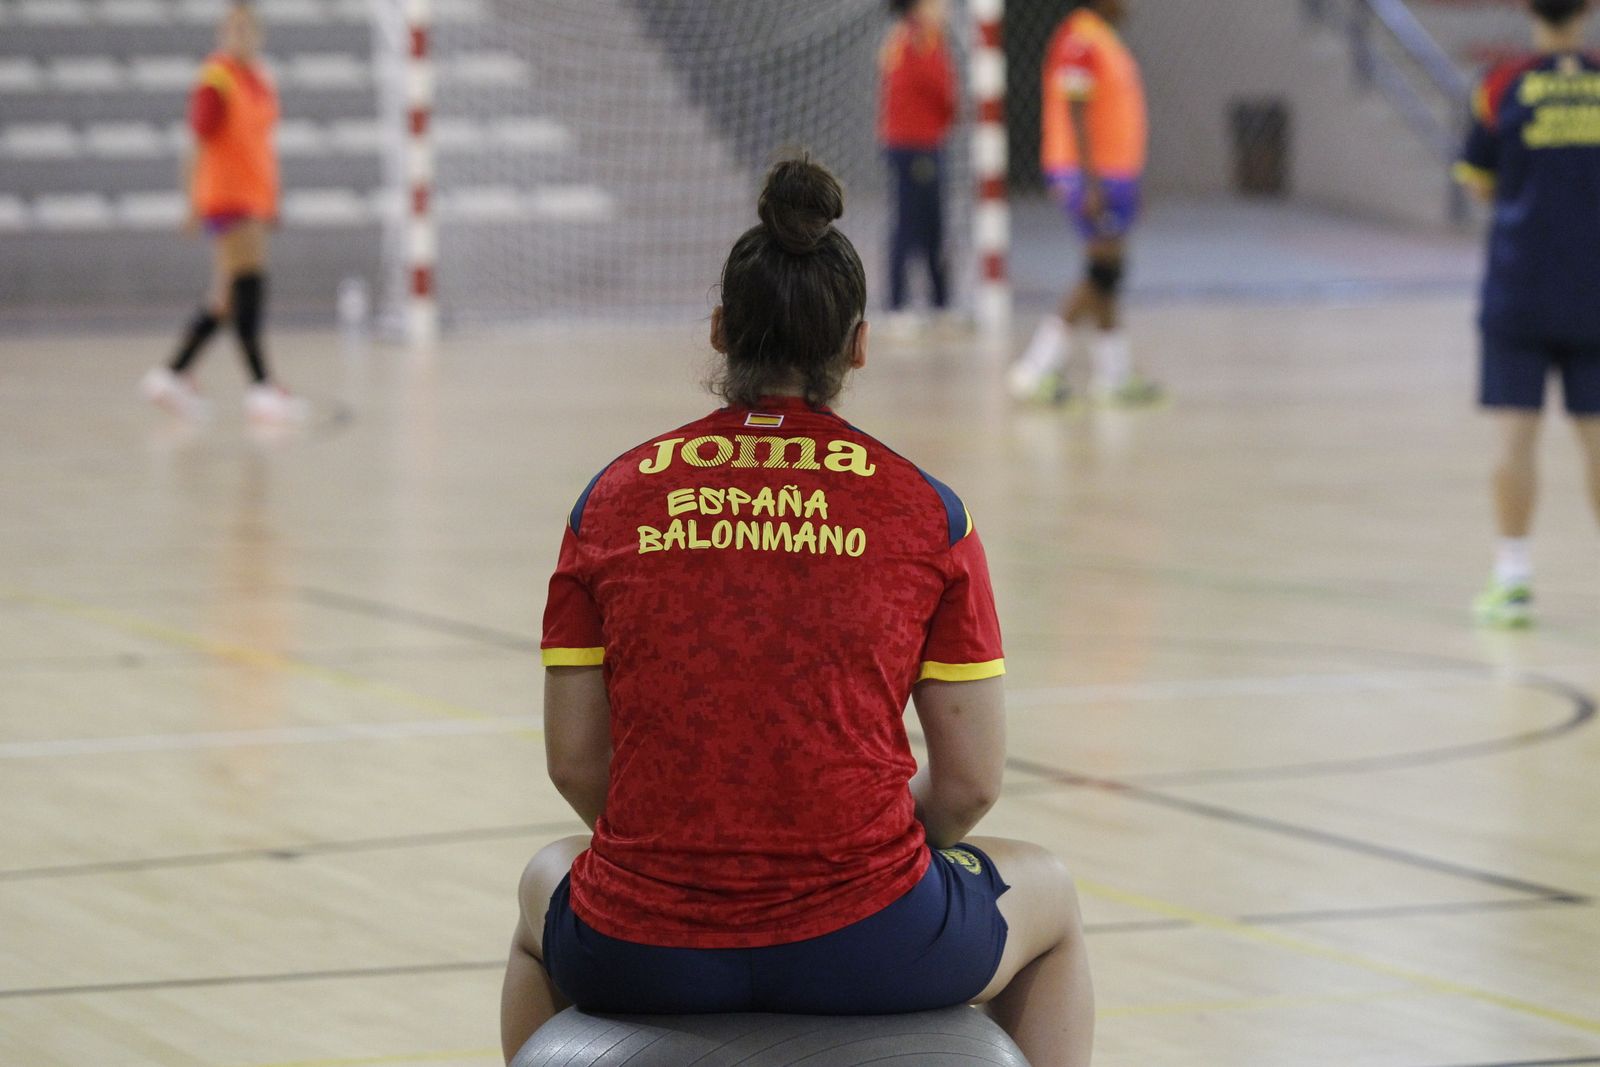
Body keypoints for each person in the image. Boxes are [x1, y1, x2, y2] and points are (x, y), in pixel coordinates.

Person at [501, 158, 1095, 1067]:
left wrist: (686, 852)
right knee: (1051, 897)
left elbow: (576, 761)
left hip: (643, 941)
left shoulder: (610, 501)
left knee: (541, 884)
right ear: (858, 346)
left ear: (718, 331)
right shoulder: (927, 512)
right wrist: (846, 851)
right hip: (874, 937)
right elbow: (972, 783)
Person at [1455, 0, 1600, 627]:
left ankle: (1513, 578)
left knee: (1515, 435)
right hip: (1595, 288)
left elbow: (1478, 180)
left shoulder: (1501, 85)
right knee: (1596, 436)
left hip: (1521, 286)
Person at [141, 1, 307, 423]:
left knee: (225, 295)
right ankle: (260, 387)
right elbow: (196, 142)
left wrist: (273, 197)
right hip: (228, 196)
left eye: (247, 29)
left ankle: (173, 374)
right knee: (247, 284)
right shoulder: (217, 79)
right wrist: (192, 201)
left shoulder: (259, 79)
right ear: (221, 34)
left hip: (253, 196)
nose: (240, 36)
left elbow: (261, 144)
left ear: (259, 34)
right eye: (232, 29)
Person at [1008, 0, 1159, 406]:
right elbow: (1074, 107)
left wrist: (1130, 183)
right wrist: (1090, 182)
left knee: (1110, 271)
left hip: (1115, 174)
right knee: (1100, 271)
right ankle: (1035, 367)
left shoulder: (1104, 38)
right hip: (1089, 175)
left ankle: (1113, 375)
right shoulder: (1079, 39)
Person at [878, 0, 958, 336]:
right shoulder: (911, 38)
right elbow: (935, 89)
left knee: (933, 227)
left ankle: (941, 306)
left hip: (927, 143)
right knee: (910, 225)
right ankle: (896, 307)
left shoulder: (928, 37)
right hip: (912, 145)